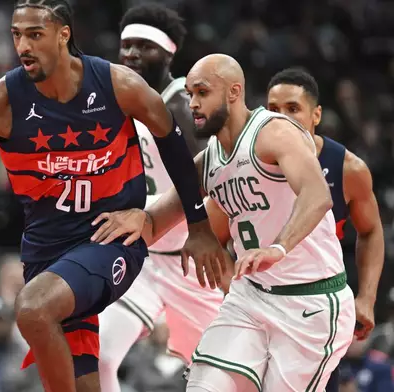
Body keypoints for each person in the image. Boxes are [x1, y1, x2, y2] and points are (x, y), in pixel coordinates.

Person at [0, 1, 225, 390]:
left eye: (35, 34)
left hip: (110, 239)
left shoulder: (119, 86)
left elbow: (184, 158)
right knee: (86, 380)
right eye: (17, 35)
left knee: (32, 307)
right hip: (47, 253)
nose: (23, 46)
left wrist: (198, 227)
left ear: (64, 35)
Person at [91, 53, 357, 391]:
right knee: (203, 385)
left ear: (233, 92)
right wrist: (124, 221)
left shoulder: (274, 133)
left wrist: (279, 247)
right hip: (251, 297)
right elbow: (154, 225)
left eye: (202, 92)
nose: (193, 104)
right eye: (189, 94)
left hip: (312, 302)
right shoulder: (208, 161)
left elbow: (318, 195)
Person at [97, 5, 224, 391]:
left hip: (193, 264)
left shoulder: (185, 104)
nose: (132, 54)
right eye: (126, 46)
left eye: (144, 47)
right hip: (144, 260)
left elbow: (217, 177)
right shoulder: (117, 101)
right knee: (97, 355)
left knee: (219, 376)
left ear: (168, 54)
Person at [266, 67, 385, 392]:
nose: (282, 119)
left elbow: (372, 231)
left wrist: (367, 297)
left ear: (316, 114)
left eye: (293, 109)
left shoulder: (348, 168)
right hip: (259, 298)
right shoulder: (249, 160)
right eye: (273, 110)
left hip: (318, 303)